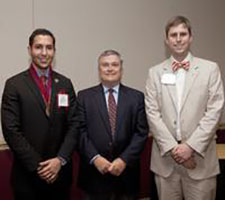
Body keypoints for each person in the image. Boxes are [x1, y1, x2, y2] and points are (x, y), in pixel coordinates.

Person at [145, 16, 224, 200]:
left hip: (200, 161)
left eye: (183, 34)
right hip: (165, 163)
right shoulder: (155, 73)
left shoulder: (210, 69)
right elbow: (152, 113)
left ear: (191, 37)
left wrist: (190, 147)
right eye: (173, 35)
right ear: (167, 40)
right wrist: (175, 149)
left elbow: (214, 111)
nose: (178, 39)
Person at [1, 28, 78, 200]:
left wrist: (60, 160)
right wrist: (40, 167)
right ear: (29, 50)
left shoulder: (65, 83)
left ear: (54, 51)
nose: (44, 53)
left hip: (61, 176)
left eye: (49, 48)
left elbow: (75, 125)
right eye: (38, 47)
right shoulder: (14, 85)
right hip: (27, 178)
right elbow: (11, 130)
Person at [77, 50, 148, 200]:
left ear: (121, 69)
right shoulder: (84, 97)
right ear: (99, 69)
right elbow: (80, 132)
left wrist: (124, 160)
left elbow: (141, 133)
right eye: (105, 65)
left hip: (127, 177)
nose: (110, 68)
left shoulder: (136, 97)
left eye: (115, 65)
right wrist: (96, 158)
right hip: (93, 177)